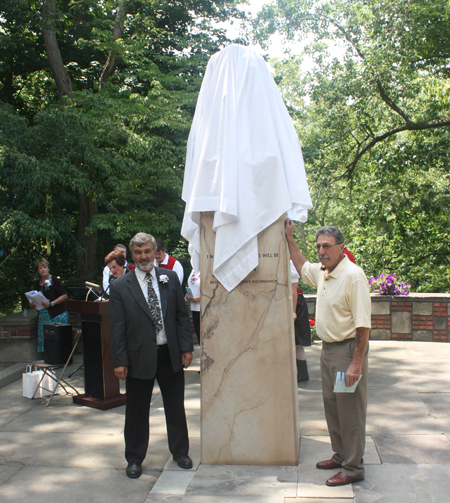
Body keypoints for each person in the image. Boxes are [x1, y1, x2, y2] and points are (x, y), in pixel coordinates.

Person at [285, 220, 371, 487]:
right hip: (328, 351)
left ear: (341, 247)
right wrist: (289, 238)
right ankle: (341, 455)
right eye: (319, 246)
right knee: (333, 408)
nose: (322, 251)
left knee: (349, 412)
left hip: (347, 353)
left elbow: (363, 324)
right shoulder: (324, 271)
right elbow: (301, 264)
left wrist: (356, 363)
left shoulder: (352, 276)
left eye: (327, 246)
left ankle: (354, 467)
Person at [108, 232, 194, 479]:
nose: (143, 256)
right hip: (137, 359)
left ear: (155, 252)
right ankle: (134, 459)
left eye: (147, 251)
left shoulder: (170, 278)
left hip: (170, 354)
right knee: (136, 411)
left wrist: (186, 348)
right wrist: (120, 361)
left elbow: (180, 316)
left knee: (175, 407)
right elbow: (117, 328)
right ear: (132, 256)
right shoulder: (120, 286)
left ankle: (180, 453)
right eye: (138, 252)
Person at [29, 258, 69, 353]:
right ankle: (48, 357)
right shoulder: (37, 284)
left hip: (57, 314)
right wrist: (32, 303)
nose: (43, 270)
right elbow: (36, 296)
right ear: (37, 270)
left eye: (45, 267)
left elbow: (64, 295)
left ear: (48, 268)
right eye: (40, 268)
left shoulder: (54, 280)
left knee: (58, 339)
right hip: (44, 316)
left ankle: (61, 357)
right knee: (46, 338)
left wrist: (51, 303)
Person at [290, 260, 311, 382]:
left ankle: (302, 373)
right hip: (287, 302)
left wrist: (293, 311)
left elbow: (293, 291)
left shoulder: (290, 262)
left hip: (295, 303)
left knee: (297, 340)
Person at [185, 269, 201, 343]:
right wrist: (189, 296)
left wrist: (201, 298)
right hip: (195, 308)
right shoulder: (194, 268)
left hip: (205, 308)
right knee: (199, 337)